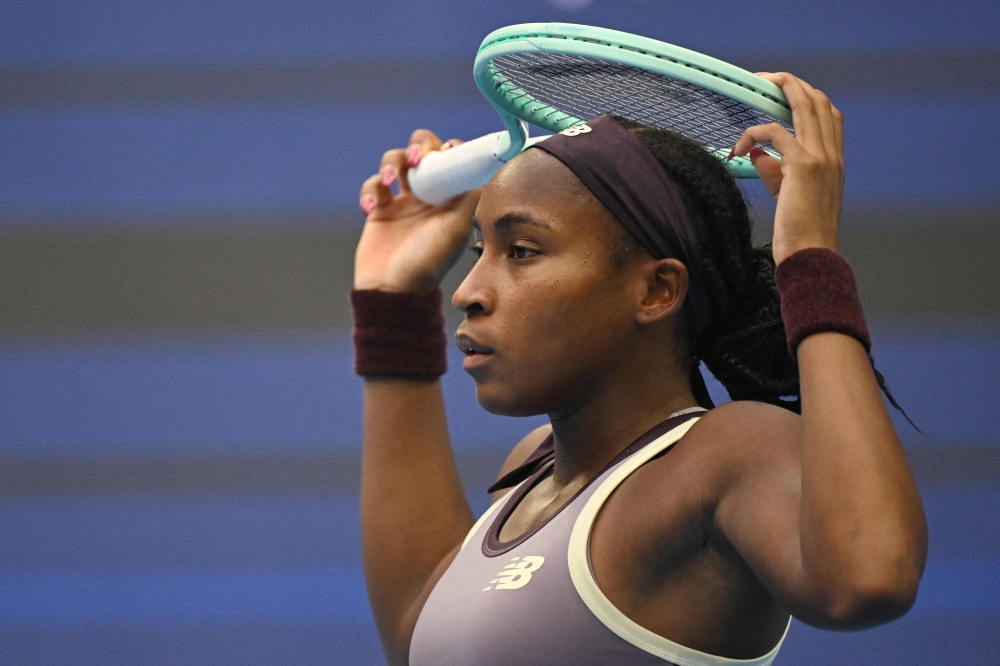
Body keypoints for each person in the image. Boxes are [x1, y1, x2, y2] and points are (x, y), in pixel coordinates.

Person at [351, 72, 927, 666]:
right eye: (480, 252)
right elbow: (420, 635)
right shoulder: (531, 468)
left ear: (656, 290)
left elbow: (869, 576)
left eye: (521, 251)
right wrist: (392, 297)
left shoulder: (731, 452)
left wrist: (809, 259)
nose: (466, 292)